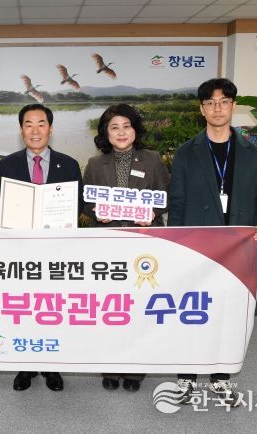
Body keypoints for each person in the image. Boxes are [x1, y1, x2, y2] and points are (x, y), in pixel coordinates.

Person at [168, 78, 257, 406]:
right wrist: (175, 246)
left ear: (233, 106)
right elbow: (177, 203)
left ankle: (221, 379)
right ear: (202, 109)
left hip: (237, 250)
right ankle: (186, 377)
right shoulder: (186, 153)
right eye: (210, 103)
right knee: (194, 312)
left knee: (229, 315)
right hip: (197, 248)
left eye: (224, 102)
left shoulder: (253, 154)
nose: (217, 108)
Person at [0, 103, 83, 392]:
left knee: (52, 309)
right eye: (28, 124)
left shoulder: (69, 164)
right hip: (20, 252)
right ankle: (25, 365)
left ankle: (52, 365)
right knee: (23, 308)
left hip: (56, 251)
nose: (35, 130)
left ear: (50, 129)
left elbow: (77, 208)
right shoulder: (7, 165)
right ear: (21, 130)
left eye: (41, 124)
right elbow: (0, 207)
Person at [82, 103, 170, 392]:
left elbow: (166, 196)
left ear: (135, 129)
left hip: (144, 244)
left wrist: (153, 213)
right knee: (111, 308)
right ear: (106, 134)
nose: (121, 132)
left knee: (140, 307)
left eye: (126, 126)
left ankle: (135, 370)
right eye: (114, 127)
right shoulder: (95, 164)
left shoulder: (153, 160)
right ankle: (110, 366)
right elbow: (86, 202)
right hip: (108, 244)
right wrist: (97, 212)